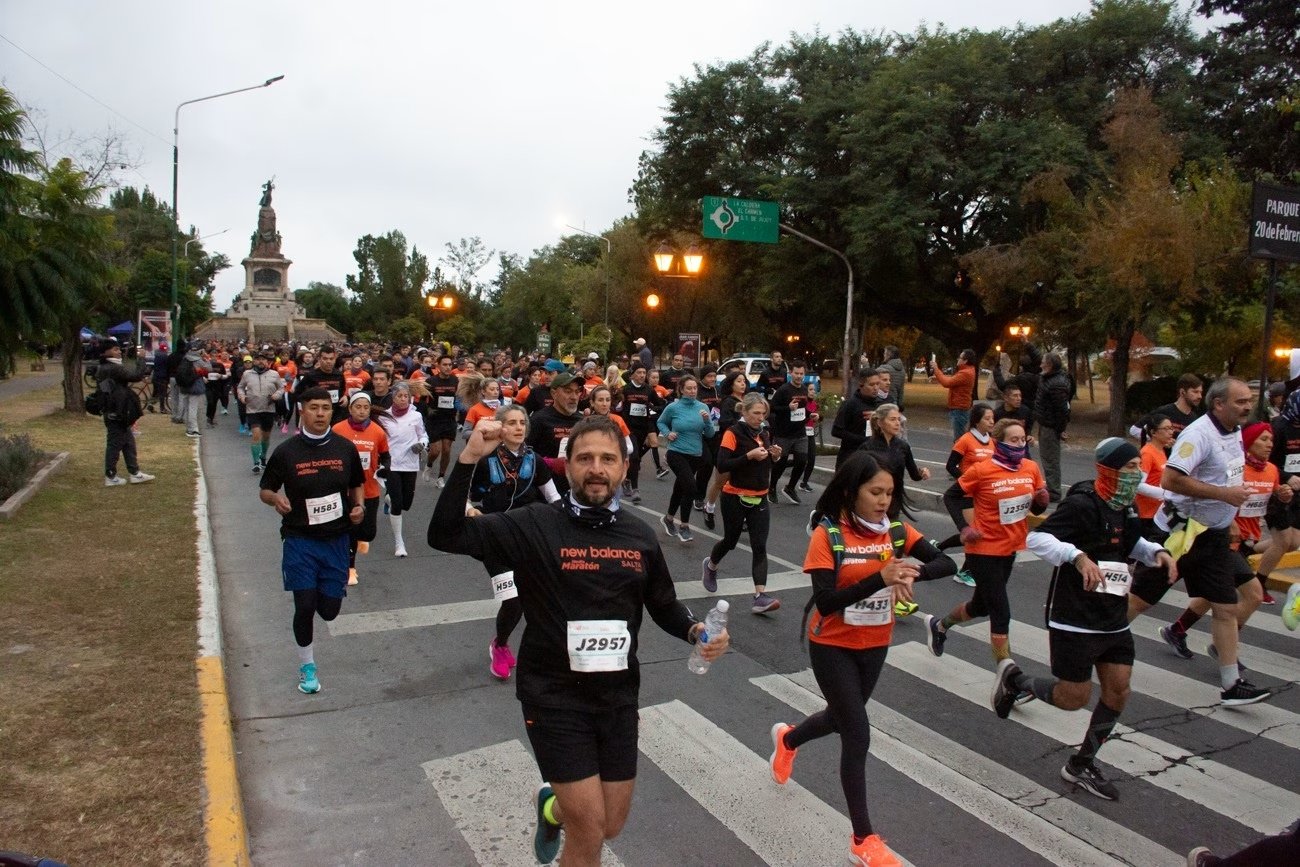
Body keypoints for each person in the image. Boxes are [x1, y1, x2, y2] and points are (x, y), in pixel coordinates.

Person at [428, 415, 729, 867]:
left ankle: (553, 808)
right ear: (567, 466)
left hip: (617, 696)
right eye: (585, 458)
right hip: (553, 697)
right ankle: (566, 811)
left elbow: (664, 603)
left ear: (624, 468)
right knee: (588, 830)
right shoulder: (533, 524)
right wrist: (469, 458)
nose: (596, 469)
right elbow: (445, 534)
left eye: (608, 459)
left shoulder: (640, 536)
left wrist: (696, 630)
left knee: (611, 824)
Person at [769, 451, 955, 867]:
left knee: (840, 719)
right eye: (875, 492)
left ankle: (788, 740)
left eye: (889, 492)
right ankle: (863, 839)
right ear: (852, 491)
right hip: (832, 644)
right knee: (857, 732)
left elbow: (946, 561)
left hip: (874, 643)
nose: (884, 500)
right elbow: (826, 601)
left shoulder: (896, 531)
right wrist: (881, 577)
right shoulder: (828, 535)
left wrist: (913, 572)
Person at [996, 438, 1177, 801]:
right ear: (1108, 470)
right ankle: (1015, 681)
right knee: (1073, 697)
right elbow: (1038, 539)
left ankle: (1081, 764)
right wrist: (1077, 557)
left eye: (1138, 467)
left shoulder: (1125, 506)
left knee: (1119, 690)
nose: (1136, 474)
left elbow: (1131, 544)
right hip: (1075, 617)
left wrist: (1157, 552)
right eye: (1129, 468)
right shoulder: (1082, 504)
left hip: (1113, 614)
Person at [1125, 377, 1272, 706]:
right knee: (1140, 601)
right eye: (1240, 401)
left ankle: (1231, 684)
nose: (1248, 406)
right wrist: (1224, 496)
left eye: (1249, 400)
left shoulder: (1234, 432)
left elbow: (1228, 477)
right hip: (1179, 534)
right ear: (1218, 404)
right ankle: (1093, 646)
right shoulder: (1198, 434)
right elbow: (1171, 479)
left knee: (1225, 607)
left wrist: (1229, 517)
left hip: (1213, 537)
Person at [258, 387, 364, 694]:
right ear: (302, 411)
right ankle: (307, 666)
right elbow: (265, 489)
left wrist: (358, 506)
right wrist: (275, 499)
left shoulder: (344, 448)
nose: (320, 413)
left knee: (329, 611)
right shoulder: (286, 452)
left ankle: (320, 587)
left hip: (336, 540)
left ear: (332, 411)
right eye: (314, 408)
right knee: (304, 606)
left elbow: (357, 483)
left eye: (325, 408)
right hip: (299, 540)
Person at [927, 419, 1049, 684]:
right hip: (983, 549)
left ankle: (939, 625)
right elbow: (951, 496)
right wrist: (964, 528)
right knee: (1000, 612)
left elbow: (1034, 508)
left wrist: (1041, 502)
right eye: (1013, 440)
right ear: (997, 442)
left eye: (1023, 440)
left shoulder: (1030, 468)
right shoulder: (982, 470)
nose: (1019, 445)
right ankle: (1008, 678)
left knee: (980, 606)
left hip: (1010, 547)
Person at [1158, 422, 1281, 665]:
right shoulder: (1235, 469)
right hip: (1222, 540)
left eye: (1271, 440)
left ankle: (1178, 630)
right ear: (1249, 442)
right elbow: (1217, 496)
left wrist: (1283, 494)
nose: (1269, 445)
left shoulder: (1272, 470)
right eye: (1263, 439)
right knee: (1253, 595)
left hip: (1245, 541)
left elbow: (1271, 498)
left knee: (1215, 593)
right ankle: (1222, 646)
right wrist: (1231, 523)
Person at [467, 404, 561, 680]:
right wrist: (470, 510)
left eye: (522, 422)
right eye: (511, 423)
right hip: (495, 539)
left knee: (532, 599)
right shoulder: (485, 460)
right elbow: (462, 495)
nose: (519, 427)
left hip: (529, 538)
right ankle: (500, 646)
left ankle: (512, 644)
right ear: (500, 427)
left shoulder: (534, 460)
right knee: (512, 599)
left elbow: (554, 497)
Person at [701, 393, 783, 614]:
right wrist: (749, 456)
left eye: (763, 413)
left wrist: (774, 456)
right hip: (734, 496)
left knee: (759, 546)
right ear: (744, 412)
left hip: (760, 496)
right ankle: (711, 565)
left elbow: (765, 462)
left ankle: (760, 597)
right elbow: (722, 464)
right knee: (730, 541)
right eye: (756, 413)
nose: (760, 417)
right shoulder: (733, 433)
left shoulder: (764, 433)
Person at [656, 374, 716, 543]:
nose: (692, 391)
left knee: (680, 488)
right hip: (676, 452)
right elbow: (661, 422)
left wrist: (707, 421)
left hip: (695, 454)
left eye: (695, 388)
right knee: (690, 487)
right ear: (681, 390)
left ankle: (668, 518)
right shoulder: (673, 407)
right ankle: (684, 526)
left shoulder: (702, 407)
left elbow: (710, 434)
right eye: (689, 388)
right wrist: (668, 433)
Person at [375, 381, 428, 558]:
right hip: (392, 464)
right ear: (393, 398)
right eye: (400, 396)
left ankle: (388, 498)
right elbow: (379, 440)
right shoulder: (384, 417)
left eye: (406, 396)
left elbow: (423, 435)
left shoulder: (416, 416)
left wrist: (422, 444)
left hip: (410, 464)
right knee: (398, 505)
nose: (403, 399)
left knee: (406, 504)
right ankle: (399, 543)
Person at [95, 340, 154, 487]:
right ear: (106, 352)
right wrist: (141, 359)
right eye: (115, 349)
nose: (119, 352)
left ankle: (135, 473)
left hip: (117, 411)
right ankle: (111, 476)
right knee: (114, 444)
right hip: (116, 412)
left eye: (119, 349)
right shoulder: (112, 368)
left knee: (128, 443)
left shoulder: (106, 367)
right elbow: (135, 375)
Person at [859, 403, 929, 521]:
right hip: (873, 500)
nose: (897, 423)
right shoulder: (867, 448)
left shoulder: (903, 446)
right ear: (880, 423)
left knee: (892, 528)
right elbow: (857, 477)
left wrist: (922, 472)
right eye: (892, 419)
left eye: (898, 419)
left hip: (895, 499)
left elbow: (914, 475)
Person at [527, 371, 585, 493]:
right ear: (554, 393)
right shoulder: (538, 420)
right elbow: (525, 456)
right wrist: (550, 463)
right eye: (568, 391)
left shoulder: (583, 421)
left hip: (576, 489)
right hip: (545, 490)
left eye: (577, 392)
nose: (574, 397)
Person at [767, 359, 814, 505]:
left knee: (802, 461)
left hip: (800, 432)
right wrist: (788, 408)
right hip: (784, 433)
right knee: (780, 463)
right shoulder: (784, 390)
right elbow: (771, 408)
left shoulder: (804, 390)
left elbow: (803, 409)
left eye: (801, 374)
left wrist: (811, 415)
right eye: (796, 373)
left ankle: (790, 487)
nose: (799, 376)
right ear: (790, 373)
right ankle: (772, 487)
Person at [616, 364, 660, 504]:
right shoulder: (626, 389)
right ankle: (635, 489)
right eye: (639, 372)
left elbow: (660, 405)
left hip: (643, 428)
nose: (642, 375)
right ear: (632, 375)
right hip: (629, 429)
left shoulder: (649, 390)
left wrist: (652, 408)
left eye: (644, 372)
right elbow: (617, 406)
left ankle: (627, 479)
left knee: (635, 458)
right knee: (634, 457)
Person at [237, 350, 286, 473]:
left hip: (268, 409)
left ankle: (263, 456)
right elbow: (240, 387)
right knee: (256, 435)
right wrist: (242, 397)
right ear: (254, 361)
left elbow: (281, 388)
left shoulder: (274, 374)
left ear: (267, 361)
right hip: (252, 409)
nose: (261, 361)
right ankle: (256, 462)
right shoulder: (247, 374)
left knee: (266, 437)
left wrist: (276, 395)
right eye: (258, 359)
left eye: (263, 359)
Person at [1034, 352, 1072, 502]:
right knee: (1048, 458)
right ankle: (1052, 487)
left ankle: (1054, 491)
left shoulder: (1056, 384)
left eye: (1043, 362)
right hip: (1047, 423)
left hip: (1050, 426)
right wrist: (1028, 345)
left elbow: (1062, 410)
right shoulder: (1051, 378)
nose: (1040, 364)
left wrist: (1060, 429)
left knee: (1050, 459)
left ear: (1049, 365)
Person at [832, 370, 887, 468]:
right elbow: (836, 431)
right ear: (861, 385)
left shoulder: (881, 405)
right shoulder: (850, 404)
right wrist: (863, 440)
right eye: (871, 385)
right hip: (851, 457)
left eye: (878, 384)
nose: (875, 388)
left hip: (873, 458)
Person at [424, 354, 461, 485]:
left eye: (450, 365)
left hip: (449, 419)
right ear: (438, 366)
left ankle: (441, 477)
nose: (447, 367)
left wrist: (459, 407)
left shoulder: (455, 381)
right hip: (434, 420)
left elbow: (460, 398)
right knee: (435, 451)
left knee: (446, 450)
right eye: (444, 365)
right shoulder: (431, 381)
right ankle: (429, 465)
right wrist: (428, 409)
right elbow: (421, 400)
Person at [1134, 414, 1173, 534]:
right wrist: (1165, 494)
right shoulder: (1147, 453)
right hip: (1145, 514)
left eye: (1171, 428)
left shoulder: (1160, 450)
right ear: (1153, 432)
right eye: (1166, 429)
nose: (1170, 432)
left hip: (1157, 512)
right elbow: (1138, 485)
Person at [292, 344, 348, 424]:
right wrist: (309, 404)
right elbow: (297, 393)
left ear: (335, 359)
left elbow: (342, 390)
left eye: (331, 359)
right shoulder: (311, 375)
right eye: (325, 358)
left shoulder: (339, 375)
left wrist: (345, 397)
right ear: (319, 359)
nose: (328, 361)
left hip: (336, 415)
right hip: (318, 415)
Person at [930, 349, 977, 442]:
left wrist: (936, 369)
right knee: (959, 438)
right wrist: (938, 378)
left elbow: (947, 383)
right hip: (959, 408)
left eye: (960, 358)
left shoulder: (966, 373)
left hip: (960, 409)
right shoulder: (966, 371)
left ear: (965, 361)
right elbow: (953, 381)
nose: (958, 359)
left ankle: (958, 451)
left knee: (959, 440)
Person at [1149, 373, 1204, 442]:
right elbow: (1137, 430)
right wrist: (1160, 441)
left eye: (1200, 392)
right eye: (1195, 392)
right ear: (1182, 392)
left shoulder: (1195, 420)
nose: (1200, 396)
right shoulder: (1164, 411)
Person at [797, 380, 821, 492]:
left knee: (812, 459)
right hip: (800, 434)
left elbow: (816, 419)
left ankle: (804, 483)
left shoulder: (815, 404)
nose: (813, 392)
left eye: (814, 390)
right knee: (800, 460)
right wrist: (808, 418)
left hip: (810, 433)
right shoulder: (801, 403)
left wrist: (817, 418)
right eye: (810, 390)